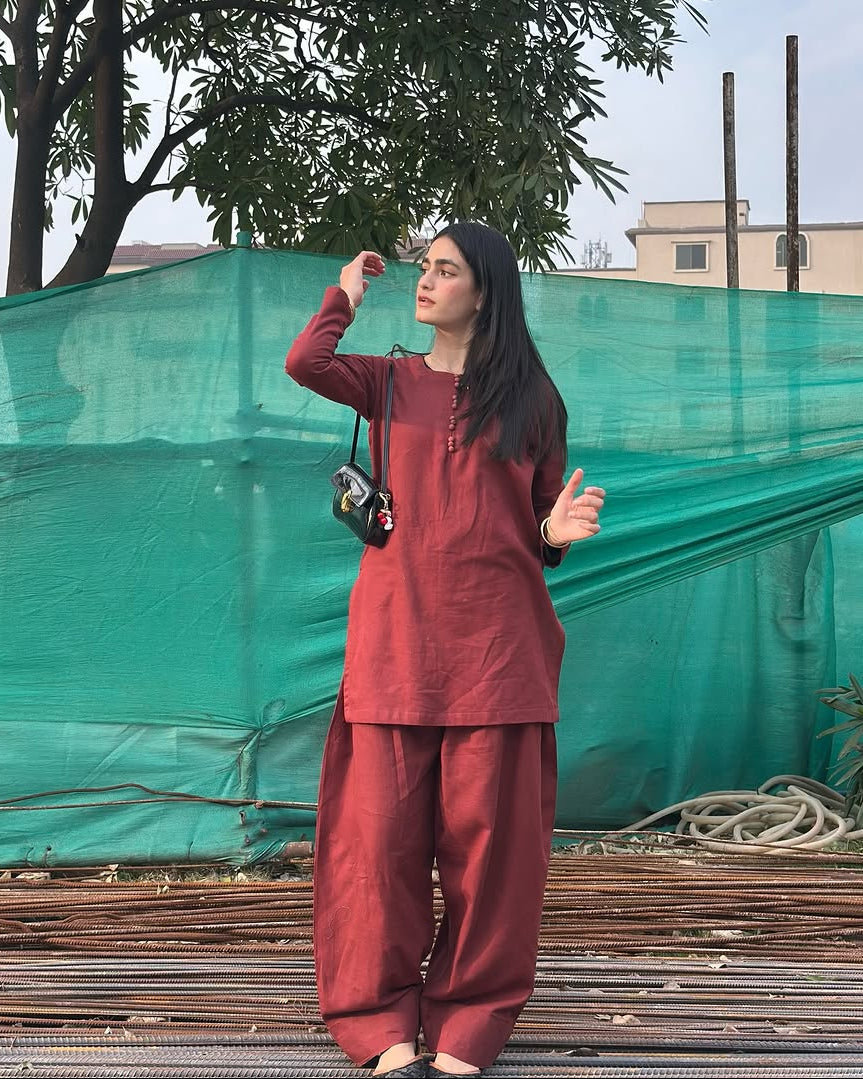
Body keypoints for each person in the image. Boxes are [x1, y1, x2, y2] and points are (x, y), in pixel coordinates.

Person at [285, 223, 605, 1078]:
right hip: (393, 654)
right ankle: (377, 1025)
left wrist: (555, 531)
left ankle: (468, 1029)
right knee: (375, 854)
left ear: (485, 292)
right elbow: (304, 365)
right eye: (423, 269)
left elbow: (537, 529)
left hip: (500, 656)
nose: (424, 283)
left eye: (444, 271)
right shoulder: (386, 384)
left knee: (491, 860)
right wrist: (344, 295)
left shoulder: (534, 400)